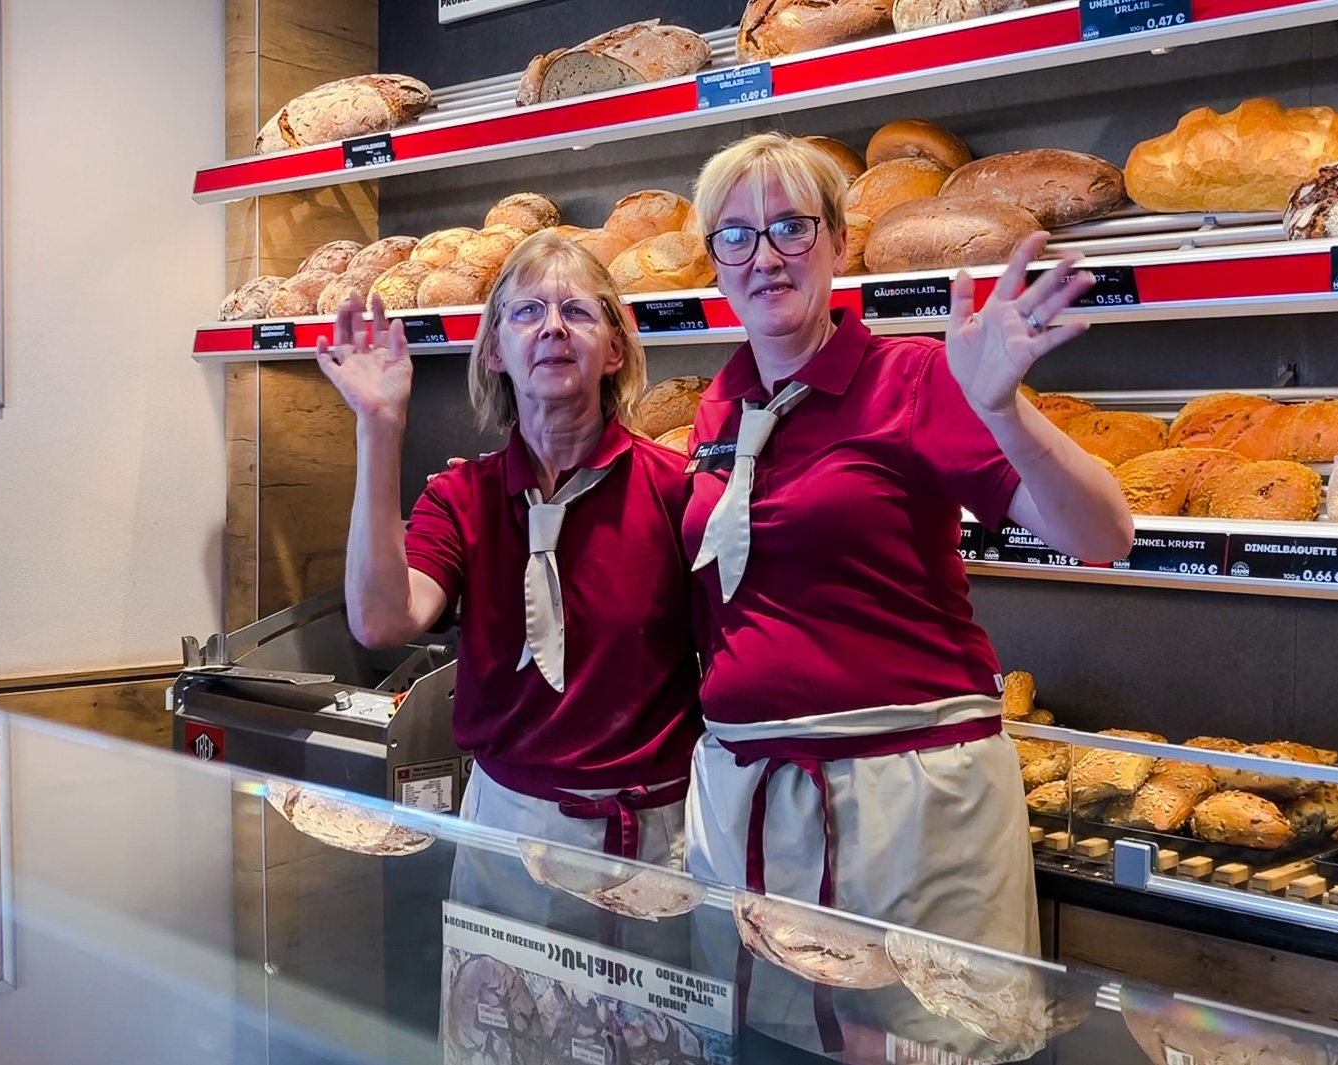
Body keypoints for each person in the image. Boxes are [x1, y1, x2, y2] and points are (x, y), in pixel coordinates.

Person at [679, 133, 1133, 974]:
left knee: (924, 1037)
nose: (764, 257)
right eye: (734, 236)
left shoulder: (912, 377)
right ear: (713, 261)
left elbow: (1102, 534)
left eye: (791, 227)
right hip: (751, 796)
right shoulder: (721, 403)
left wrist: (1003, 409)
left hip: (906, 793)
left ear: (839, 244)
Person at [316, 230, 701, 867]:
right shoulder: (462, 497)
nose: (552, 328)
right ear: (496, 350)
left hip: (652, 833)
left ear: (614, 351)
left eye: (577, 311)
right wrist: (379, 428)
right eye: (527, 312)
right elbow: (382, 620)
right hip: (503, 824)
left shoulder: (677, 490)